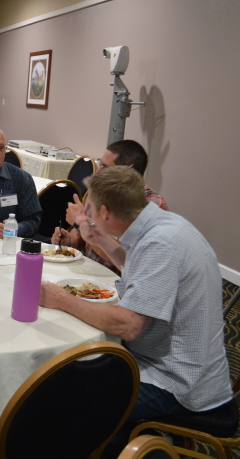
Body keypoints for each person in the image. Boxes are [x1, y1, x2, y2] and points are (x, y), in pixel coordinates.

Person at [39, 166, 234, 458]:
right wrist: (99, 240)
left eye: (90, 208)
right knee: (78, 375)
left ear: (105, 213)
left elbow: (127, 326)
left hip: (178, 382)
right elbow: (141, 271)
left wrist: (60, 299)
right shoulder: (166, 225)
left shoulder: (160, 244)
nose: (86, 214)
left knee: (67, 401)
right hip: (187, 365)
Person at [52, 139, 167, 275]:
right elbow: (84, 240)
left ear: (126, 173)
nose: (99, 171)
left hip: (116, 282)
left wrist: (82, 224)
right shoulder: (102, 192)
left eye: (105, 168)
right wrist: (71, 241)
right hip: (87, 273)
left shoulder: (151, 205)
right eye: (100, 164)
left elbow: (130, 260)